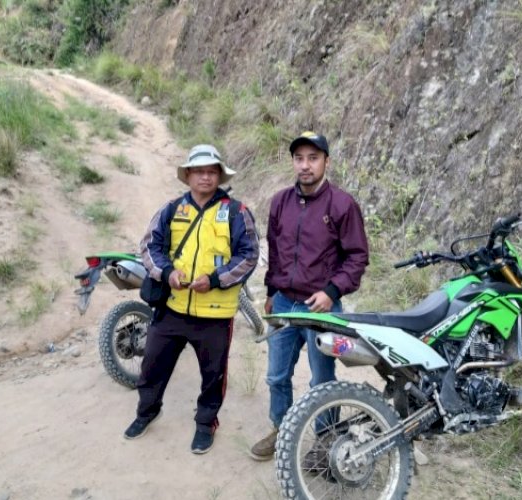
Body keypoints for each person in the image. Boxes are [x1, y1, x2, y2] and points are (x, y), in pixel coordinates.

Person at [124, 144, 260, 454]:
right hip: (172, 308)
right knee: (152, 367)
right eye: (199, 171)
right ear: (187, 176)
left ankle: (205, 424)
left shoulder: (237, 212)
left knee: (213, 376)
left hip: (215, 314)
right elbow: (149, 247)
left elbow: (249, 256)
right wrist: (168, 273)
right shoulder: (171, 209)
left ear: (219, 176)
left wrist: (214, 280)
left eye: (212, 172)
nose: (205, 177)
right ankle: (147, 412)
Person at [249, 131, 369, 461]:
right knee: (276, 375)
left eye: (313, 158)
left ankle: (325, 441)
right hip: (285, 304)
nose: (305, 165)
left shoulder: (343, 205)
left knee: (322, 379)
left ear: (326, 162)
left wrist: (332, 292)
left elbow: (357, 257)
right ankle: (281, 429)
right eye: (299, 158)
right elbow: (275, 250)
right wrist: (272, 290)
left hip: (321, 309)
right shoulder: (281, 202)